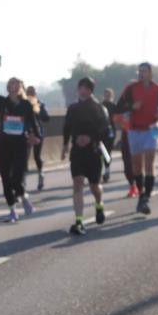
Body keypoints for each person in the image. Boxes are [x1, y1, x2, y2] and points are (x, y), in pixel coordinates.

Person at [0, 61, 40, 222]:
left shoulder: (26, 105)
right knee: (5, 179)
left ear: (20, 87)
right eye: (10, 82)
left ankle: (23, 198)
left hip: (20, 146)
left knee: (17, 178)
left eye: (15, 83)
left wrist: (36, 135)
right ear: (7, 87)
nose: (12, 84)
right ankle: (12, 211)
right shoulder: (2, 102)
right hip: (4, 145)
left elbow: (33, 122)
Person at [116, 62, 158, 214]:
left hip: (151, 129)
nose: (141, 74)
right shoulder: (131, 89)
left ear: (150, 73)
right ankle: (141, 194)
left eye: (144, 71)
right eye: (139, 71)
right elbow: (119, 107)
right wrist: (132, 107)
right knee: (136, 166)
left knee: (149, 163)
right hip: (134, 130)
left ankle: (145, 198)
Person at [62, 77, 111, 234]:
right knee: (77, 183)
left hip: (94, 152)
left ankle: (99, 204)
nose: (82, 90)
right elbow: (67, 127)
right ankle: (79, 222)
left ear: (91, 90)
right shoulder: (73, 108)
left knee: (94, 186)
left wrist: (90, 138)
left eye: (86, 88)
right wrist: (65, 145)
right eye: (80, 87)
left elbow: (105, 129)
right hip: (77, 152)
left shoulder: (99, 108)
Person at [105, 88, 137, 197]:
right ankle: (132, 185)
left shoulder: (144, 100)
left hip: (141, 134)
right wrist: (123, 116)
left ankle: (141, 186)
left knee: (138, 162)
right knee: (127, 162)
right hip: (127, 134)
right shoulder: (123, 103)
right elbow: (115, 118)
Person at [26, 85, 51, 191]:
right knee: (23, 158)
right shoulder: (23, 104)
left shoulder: (40, 104)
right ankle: (22, 183)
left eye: (33, 92)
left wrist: (38, 113)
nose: (31, 94)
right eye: (29, 92)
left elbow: (47, 118)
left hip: (38, 133)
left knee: (37, 156)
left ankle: (41, 174)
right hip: (25, 133)